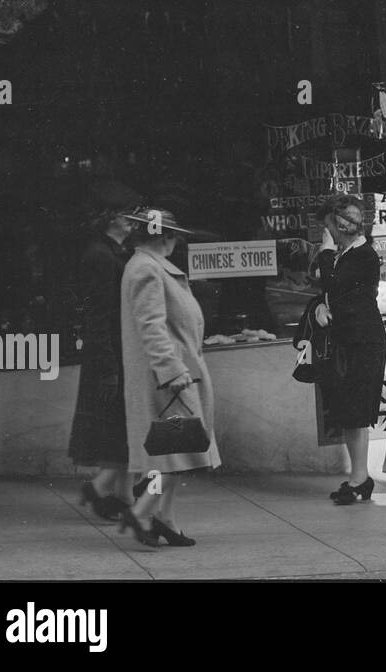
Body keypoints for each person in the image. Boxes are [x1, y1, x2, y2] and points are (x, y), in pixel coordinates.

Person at [117, 208, 221, 547]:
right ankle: (145, 511)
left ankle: (164, 517)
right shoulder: (147, 268)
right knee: (172, 456)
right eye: (174, 235)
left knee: (171, 456)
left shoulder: (146, 266)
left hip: (170, 374)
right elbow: (151, 326)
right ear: (164, 236)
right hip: (168, 378)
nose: (176, 241)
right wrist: (172, 370)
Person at [69, 179, 140, 521]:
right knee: (119, 432)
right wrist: (109, 368)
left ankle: (116, 495)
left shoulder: (115, 252)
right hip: (111, 357)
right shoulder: (100, 256)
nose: (132, 220)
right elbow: (98, 317)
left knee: (123, 432)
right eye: (127, 214)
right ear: (111, 217)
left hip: (119, 355)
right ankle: (103, 491)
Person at [309, 196, 386, 504]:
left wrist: (326, 249)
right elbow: (329, 290)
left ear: (339, 225)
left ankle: (360, 478)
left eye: (327, 227)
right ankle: (358, 476)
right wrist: (319, 309)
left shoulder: (363, 256)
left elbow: (333, 281)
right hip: (351, 341)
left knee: (356, 412)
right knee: (350, 414)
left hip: (363, 343)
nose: (324, 233)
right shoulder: (347, 254)